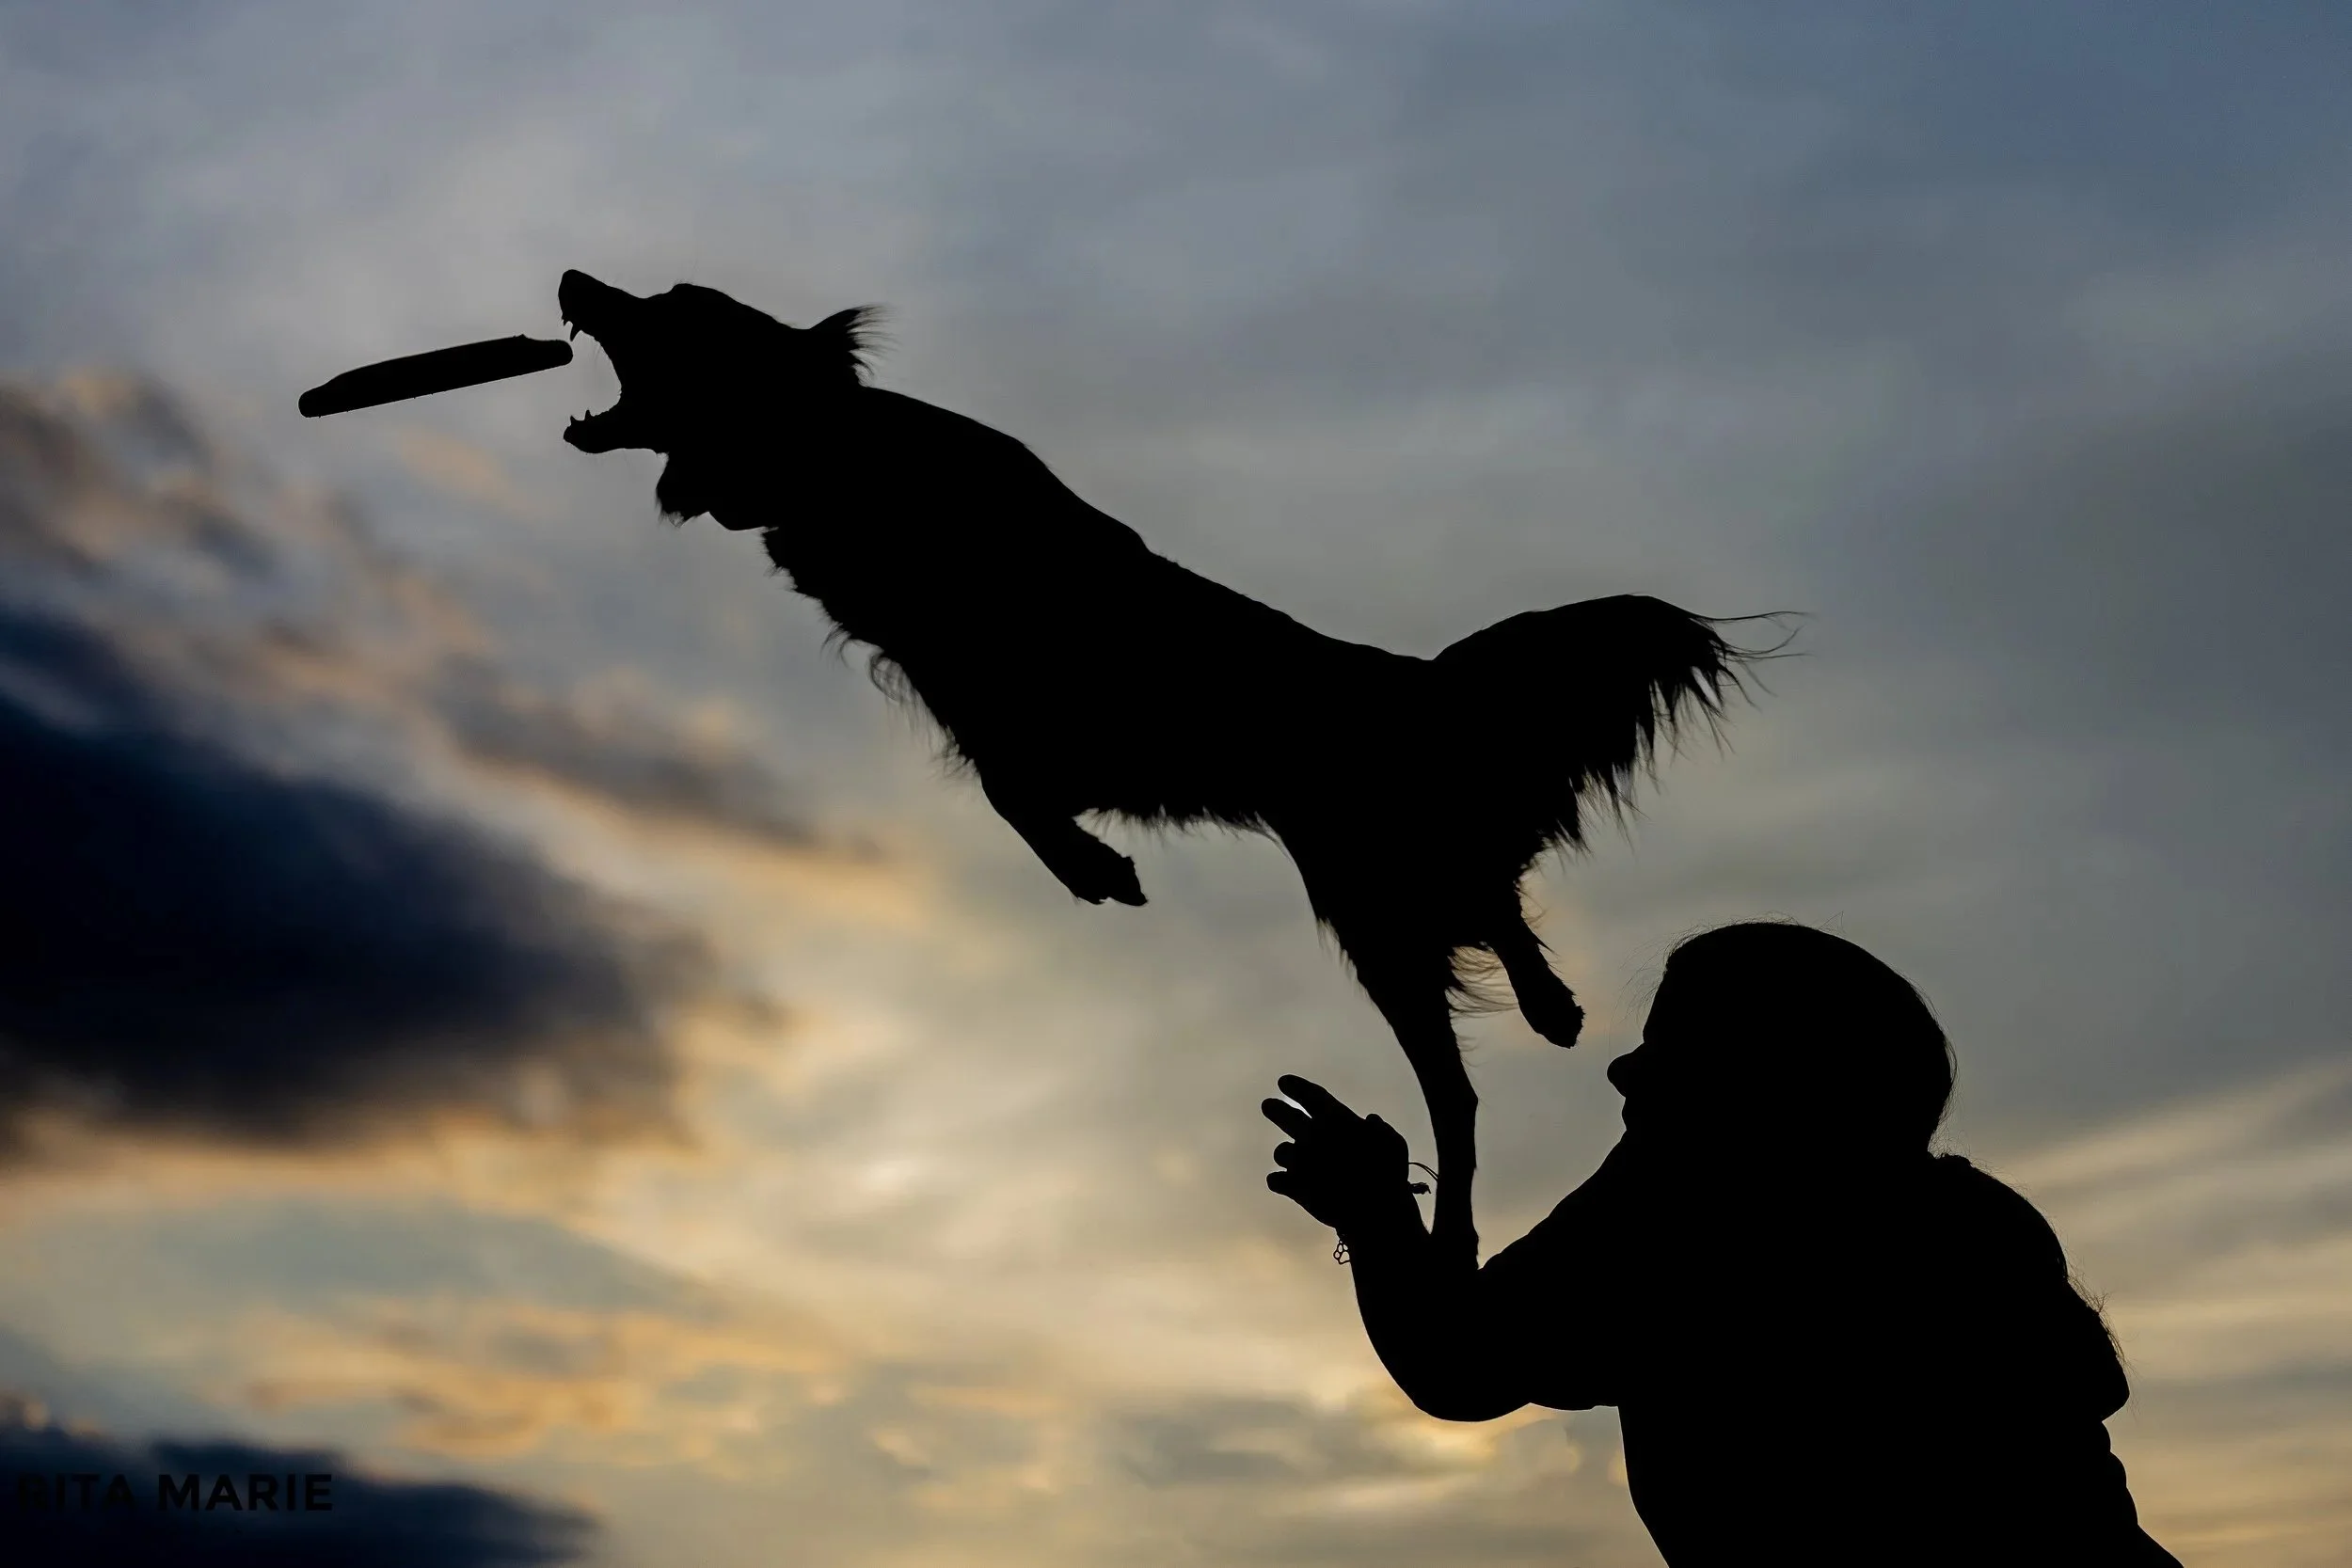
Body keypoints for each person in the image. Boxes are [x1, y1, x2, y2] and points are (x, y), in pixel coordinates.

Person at [1263, 921, 2181, 1566]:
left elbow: (1459, 1362)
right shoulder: (1974, 1220)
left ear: (1759, 1075)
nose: (1623, 1067)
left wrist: (1374, 1212)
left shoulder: (1681, 1216)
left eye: (1669, 1044)